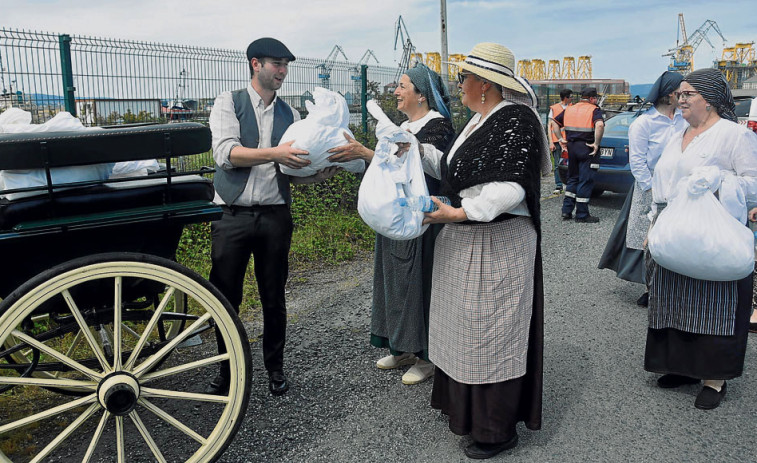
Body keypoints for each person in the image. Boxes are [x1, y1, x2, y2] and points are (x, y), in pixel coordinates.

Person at [415, 42, 548, 459]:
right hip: (466, 236)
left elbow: (510, 187)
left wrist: (460, 213)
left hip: (497, 240)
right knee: (463, 329)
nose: (459, 85)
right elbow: (453, 171)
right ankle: (466, 413)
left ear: (485, 85)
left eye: (463, 78)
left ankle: (496, 429)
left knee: (490, 333)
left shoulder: (516, 119)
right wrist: (410, 150)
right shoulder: (478, 121)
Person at [206, 38, 338, 396]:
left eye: (285, 65)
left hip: (275, 215)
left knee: (273, 296)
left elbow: (292, 171)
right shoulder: (228, 102)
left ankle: (275, 368)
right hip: (231, 214)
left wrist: (322, 173)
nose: (282, 71)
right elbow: (225, 154)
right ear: (255, 64)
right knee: (224, 297)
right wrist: (276, 153)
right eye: (276, 64)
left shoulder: (290, 115)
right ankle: (227, 370)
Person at [328, 64, 455, 385]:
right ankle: (401, 347)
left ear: (422, 94)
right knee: (394, 281)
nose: (396, 92)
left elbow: (434, 167)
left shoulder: (437, 126)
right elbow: (391, 165)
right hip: (396, 215)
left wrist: (368, 151)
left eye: (402, 86)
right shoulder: (402, 126)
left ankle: (427, 355)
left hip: (423, 217)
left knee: (420, 283)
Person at [645, 68, 757, 410]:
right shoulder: (678, 133)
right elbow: (662, 181)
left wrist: (717, 180)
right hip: (673, 227)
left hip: (712, 234)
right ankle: (682, 366)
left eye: (687, 94)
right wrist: (653, 222)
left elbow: (753, 185)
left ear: (708, 99)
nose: (679, 100)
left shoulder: (732, 136)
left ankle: (714, 378)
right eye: (678, 94)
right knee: (674, 297)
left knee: (713, 302)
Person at [597, 71, 686, 306]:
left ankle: (674, 286)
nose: (684, 97)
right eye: (681, 93)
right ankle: (651, 288)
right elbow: (637, 162)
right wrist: (651, 190)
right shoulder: (643, 123)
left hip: (680, 188)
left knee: (676, 238)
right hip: (650, 188)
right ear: (669, 95)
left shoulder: (684, 120)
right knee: (647, 241)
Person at [552, 87, 604, 223]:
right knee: (585, 180)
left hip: (572, 148)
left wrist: (561, 139)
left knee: (572, 179)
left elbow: (554, 123)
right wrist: (596, 143)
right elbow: (599, 126)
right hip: (587, 148)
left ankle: (566, 211)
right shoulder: (594, 110)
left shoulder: (569, 108)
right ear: (592, 99)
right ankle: (582, 214)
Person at [548, 88, 573, 194]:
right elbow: (550, 126)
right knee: (558, 164)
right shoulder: (554, 108)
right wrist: (551, 142)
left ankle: (570, 184)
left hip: (569, 140)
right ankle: (559, 185)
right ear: (566, 98)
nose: (572, 98)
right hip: (557, 140)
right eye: (571, 96)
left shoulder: (573, 108)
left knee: (571, 163)